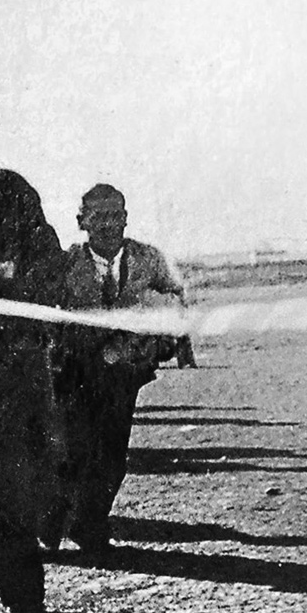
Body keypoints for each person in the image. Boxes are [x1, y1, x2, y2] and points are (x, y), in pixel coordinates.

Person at [50, 184, 187, 554]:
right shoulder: (64, 265)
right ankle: (56, 522)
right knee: (72, 450)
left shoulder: (149, 259)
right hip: (75, 374)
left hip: (124, 373)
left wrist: (158, 335)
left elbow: (175, 298)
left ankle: (90, 526)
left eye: (116, 215)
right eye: (99, 216)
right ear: (82, 221)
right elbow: (47, 315)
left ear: (126, 218)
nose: (109, 225)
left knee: (111, 454)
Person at [0, 85, 66, 613]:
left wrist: (8, 284)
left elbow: (48, 268)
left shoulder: (7, 193)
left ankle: (23, 596)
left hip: (2, 378)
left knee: (9, 486)